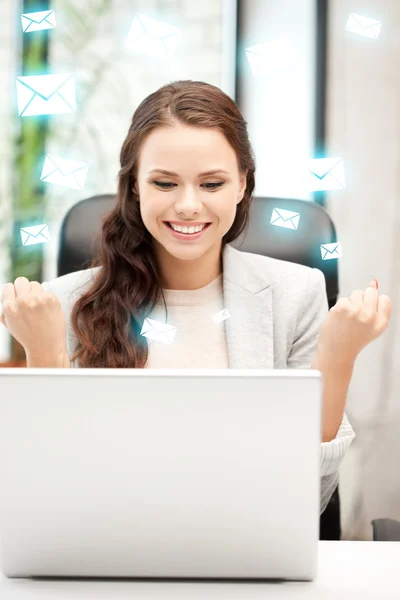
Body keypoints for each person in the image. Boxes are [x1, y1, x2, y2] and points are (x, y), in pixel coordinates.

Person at [0, 80, 392, 515]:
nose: (188, 205)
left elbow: (306, 503)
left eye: (211, 184)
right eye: (165, 183)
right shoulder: (62, 303)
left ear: (242, 185)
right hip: (105, 555)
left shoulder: (295, 295)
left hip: (245, 552)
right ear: (134, 187)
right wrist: (45, 353)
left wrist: (336, 357)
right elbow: (50, 496)